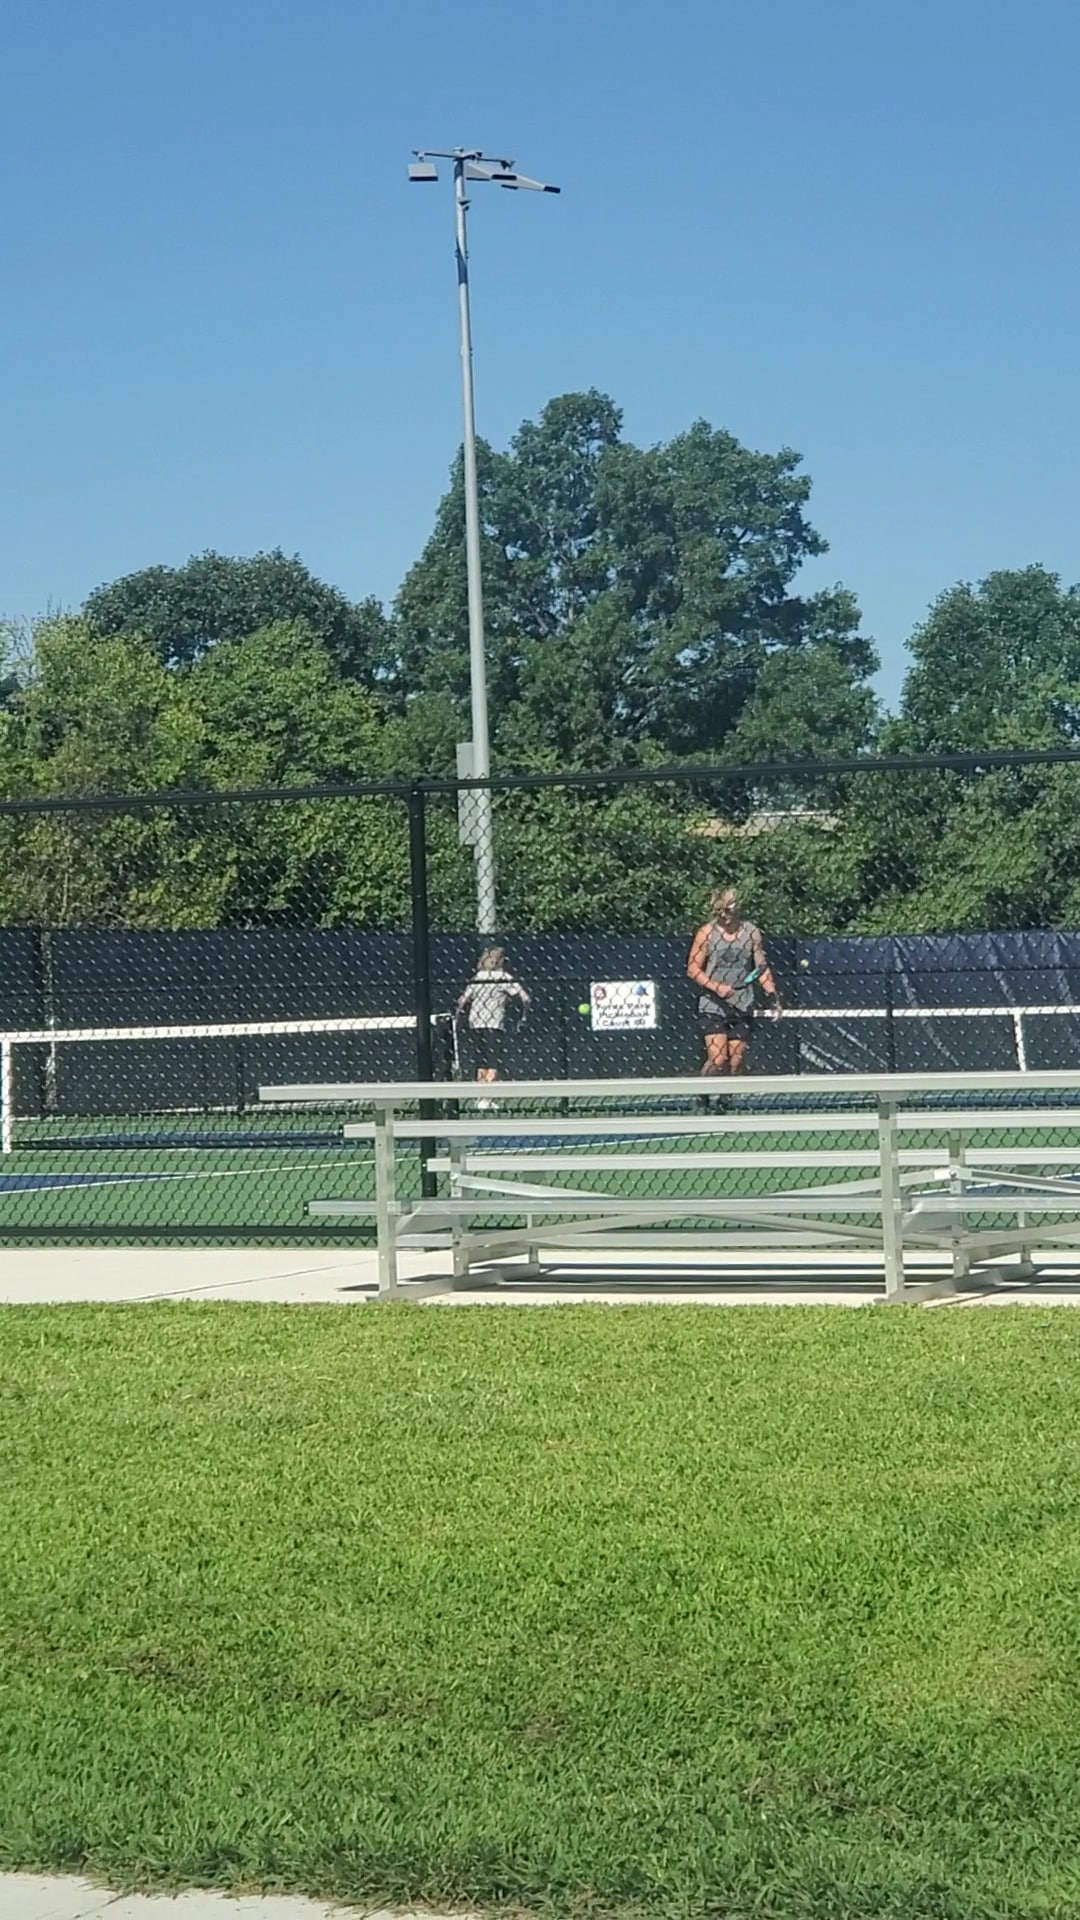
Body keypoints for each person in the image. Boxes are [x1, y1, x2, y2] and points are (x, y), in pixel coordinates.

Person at [686, 888, 781, 1077]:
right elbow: (693, 969)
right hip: (713, 1004)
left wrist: (772, 996)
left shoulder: (751, 932)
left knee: (736, 1061)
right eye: (718, 912)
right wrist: (717, 987)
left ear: (737, 908)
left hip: (742, 1003)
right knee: (718, 1059)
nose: (723, 915)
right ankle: (702, 1096)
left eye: (727, 911)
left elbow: (761, 969)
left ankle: (725, 1100)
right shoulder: (706, 933)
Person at [456, 946, 530, 1107]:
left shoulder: (478, 977)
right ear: (501, 961)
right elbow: (525, 997)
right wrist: (523, 1014)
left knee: (480, 1059)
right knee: (492, 1060)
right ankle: (487, 1098)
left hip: (475, 1022)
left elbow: (463, 1000)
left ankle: (481, 1097)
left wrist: (458, 1015)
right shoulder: (503, 976)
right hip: (493, 1023)